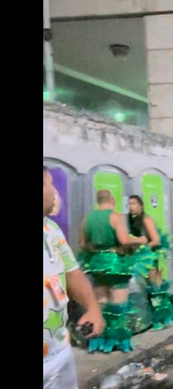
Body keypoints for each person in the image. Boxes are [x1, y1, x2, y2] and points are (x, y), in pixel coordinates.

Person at [44, 166, 105, 388]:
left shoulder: (51, 230)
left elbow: (72, 273)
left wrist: (92, 307)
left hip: (58, 352)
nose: (54, 192)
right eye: (49, 184)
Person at [80, 190, 146, 352]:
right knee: (118, 304)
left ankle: (98, 340)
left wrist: (98, 250)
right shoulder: (116, 217)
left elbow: (83, 244)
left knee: (101, 302)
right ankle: (118, 341)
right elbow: (124, 240)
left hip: (96, 265)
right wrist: (140, 239)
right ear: (113, 200)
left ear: (98, 201)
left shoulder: (88, 218)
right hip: (116, 265)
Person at [127, 195, 173, 330]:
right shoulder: (128, 221)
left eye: (134, 204)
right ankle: (147, 317)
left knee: (155, 288)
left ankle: (162, 318)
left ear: (141, 205)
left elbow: (155, 240)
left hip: (149, 258)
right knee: (143, 288)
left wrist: (143, 247)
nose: (131, 206)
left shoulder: (146, 219)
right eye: (129, 204)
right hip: (136, 257)